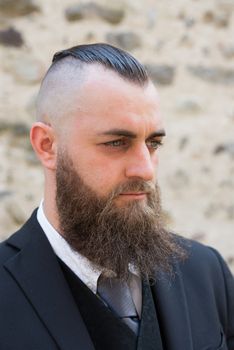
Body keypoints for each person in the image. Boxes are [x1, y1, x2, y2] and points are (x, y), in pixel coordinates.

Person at [0, 43, 233, 350]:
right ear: (47, 146)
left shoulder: (206, 272)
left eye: (153, 143)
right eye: (116, 143)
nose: (145, 169)